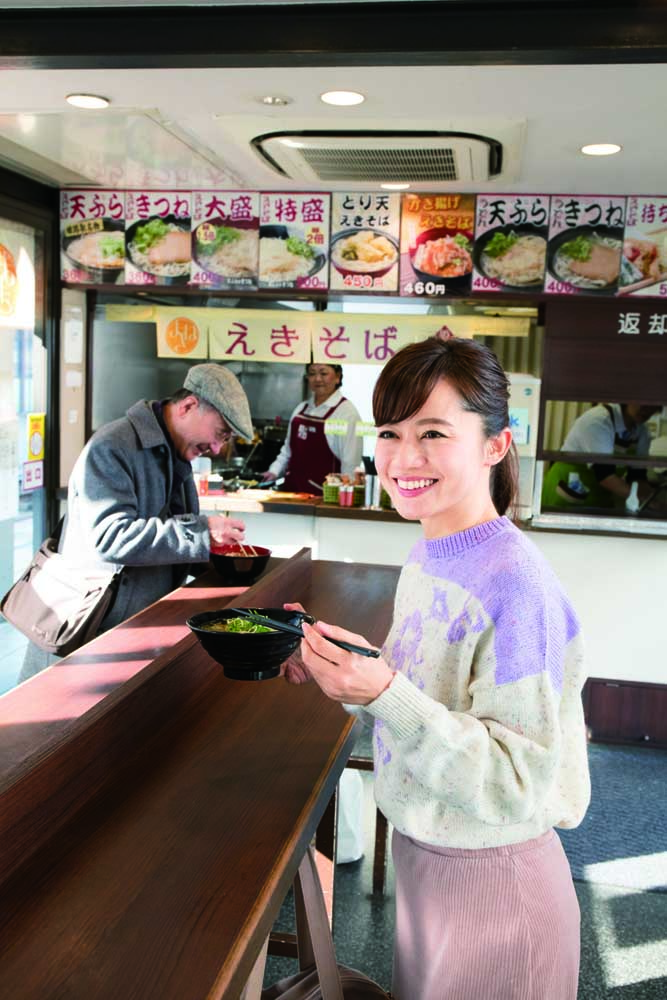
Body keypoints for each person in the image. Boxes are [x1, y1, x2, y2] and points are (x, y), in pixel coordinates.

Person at [281, 337, 590, 1000]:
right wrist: (345, 670)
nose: (403, 457)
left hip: (496, 887)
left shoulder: (515, 584)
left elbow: (516, 781)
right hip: (424, 862)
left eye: (433, 433)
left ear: (494, 445)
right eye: (389, 432)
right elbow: (424, 697)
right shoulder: (431, 552)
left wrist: (384, 692)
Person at [19, 362, 252, 682]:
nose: (216, 448)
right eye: (221, 433)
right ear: (188, 406)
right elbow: (109, 538)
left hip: (133, 626)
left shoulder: (176, 453)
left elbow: (171, 532)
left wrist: (220, 558)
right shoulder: (112, 446)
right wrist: (201, 534)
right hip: (86, 627)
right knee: (54, 727)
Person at [261, 363, 362, 493]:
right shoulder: (301, 409)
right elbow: (287, 451)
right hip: (291, 492)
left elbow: (350, 464)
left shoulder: (347, 414)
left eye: (323, 373)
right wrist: (273, 472)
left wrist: (344, 498)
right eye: (312, 373)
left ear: (338, 377)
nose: (317, 379)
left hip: (323, 498)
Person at [542, 401, 661, 509]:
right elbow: (605, 475)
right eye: (643, 403)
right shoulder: (599, 420)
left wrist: (653, 500)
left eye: (653, 406)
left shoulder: (641, 431)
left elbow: (637, 477)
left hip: (600, 494)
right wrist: (644, 500)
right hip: (569, 489)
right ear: (628, 399)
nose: (647, 410)